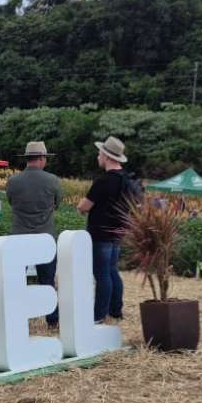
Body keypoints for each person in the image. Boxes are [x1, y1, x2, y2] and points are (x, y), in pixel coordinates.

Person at [7, 141, 62, 328]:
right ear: (41, 158)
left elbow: (11, 202)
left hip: (19, 237)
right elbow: (57, 204)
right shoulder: (53, 180)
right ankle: (52, 320)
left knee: (16, 281)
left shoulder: (13, 181)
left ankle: (16, 318)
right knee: (47, 282)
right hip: (45, 237)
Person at [77, 136, 131, 323]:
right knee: (112, 271)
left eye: (100, 153)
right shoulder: (127, 181)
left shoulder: (103, 181)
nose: (98, 156)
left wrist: (81, 208)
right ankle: (116, 311)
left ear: (107, 156)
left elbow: (84, 206)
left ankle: (99, 315)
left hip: (100, 233)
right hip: (118, 232)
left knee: (101, 275)